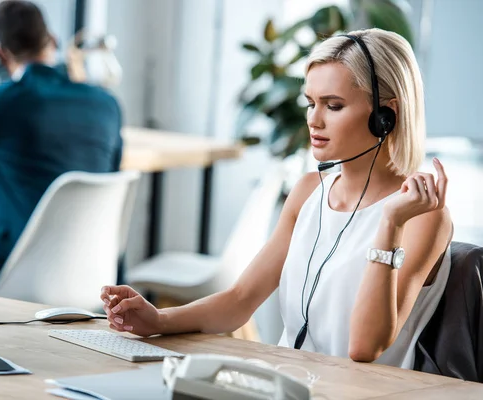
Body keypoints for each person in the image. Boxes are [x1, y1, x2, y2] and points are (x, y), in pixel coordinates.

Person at [99, 28, 453, 369]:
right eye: (311, 103)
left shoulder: (423, 217)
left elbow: (363, 348)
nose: (314, 120)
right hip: (288, 383)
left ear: (385, 116)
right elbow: (239, 301)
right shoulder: (307, 193)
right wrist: (158, 319)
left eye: (333, 105)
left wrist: (390, 223)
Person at [0, 0, 123, 292]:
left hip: (13, 268)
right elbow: (113, 169)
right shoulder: (107, 104)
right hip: (94, 272)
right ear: (54, 42)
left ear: (1, 55)